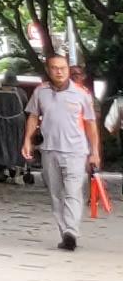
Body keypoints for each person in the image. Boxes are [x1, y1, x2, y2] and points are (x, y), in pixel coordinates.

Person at [27, 50, 100, 254]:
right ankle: (64, 231)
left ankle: (71, 232)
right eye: (54, 68)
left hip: (76, 151)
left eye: (63, 68)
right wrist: (27, 141)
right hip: (49, 150)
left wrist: (94, 152)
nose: (59, 72)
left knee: (73, 192)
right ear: (48, 70)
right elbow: (33, 116)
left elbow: (91, 124)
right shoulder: (40, 91)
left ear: (68, 69)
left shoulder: (81, 94)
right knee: (56, 194)